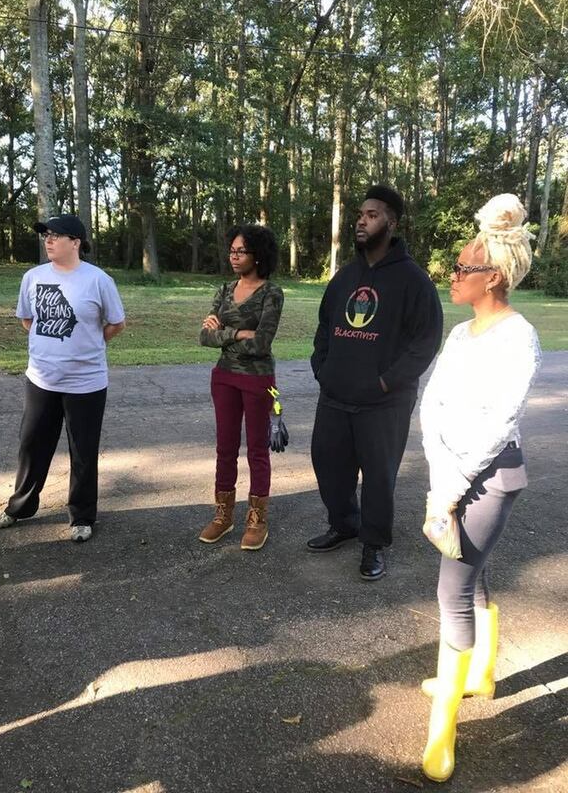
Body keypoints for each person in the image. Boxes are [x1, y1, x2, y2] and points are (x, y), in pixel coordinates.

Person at [419, 194, 541, 782]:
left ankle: (443, 728)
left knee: (453, 587)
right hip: (451, 473)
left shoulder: (518, 338)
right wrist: (437, 473)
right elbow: (435, 402)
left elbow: (496, 421)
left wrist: (448, 490)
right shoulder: (463, 333)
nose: (453, 274)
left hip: (488, 476)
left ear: (492, 276)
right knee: (476, 568)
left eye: (463, 267)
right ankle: (480, 674)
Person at [307, 184, 443, 580]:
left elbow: (425, 343)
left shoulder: (414, 281)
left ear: (391, 222)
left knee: (379, 477)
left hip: (384, 403)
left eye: (371, 215)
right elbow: (324, 328)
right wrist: (323, 369)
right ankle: (345, 524)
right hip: (335, 395)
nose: (361, 221)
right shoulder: (345, 277)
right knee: (329, 466)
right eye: (360, 215)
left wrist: (386, 384)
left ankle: (374, 543)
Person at [0, 215, 125, 543]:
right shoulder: (33, 277)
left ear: (76, 242)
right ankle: (20, 507)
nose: (48, 240)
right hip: (41, 379)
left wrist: (87, 348)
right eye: (46, 235)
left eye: (56, 235)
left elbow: (116, 323)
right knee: (32, 444)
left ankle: (81, 515)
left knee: (82, 450)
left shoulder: (97, 280)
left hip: (86, 383)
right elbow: (27, 320)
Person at [199, 225, 284, 550]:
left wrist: (226, 332)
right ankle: (224, 515)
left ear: (258, 255)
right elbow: (204, 337)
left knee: (257, 451)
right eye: (232, 250)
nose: (234, 256)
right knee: (225, 449)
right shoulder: (223, 289)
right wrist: (236, 334)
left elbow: (262, 343)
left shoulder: (271, 293)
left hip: (257, 379)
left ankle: (256, 519)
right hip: (224, 378)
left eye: (241, 251)